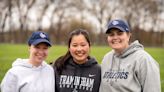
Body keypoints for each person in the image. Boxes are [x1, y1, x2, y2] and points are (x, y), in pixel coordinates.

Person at [99, 19, 161, 92]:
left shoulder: (143, 59)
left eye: (120, 33)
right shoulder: (106, 58)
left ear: (128, 36)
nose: (115, 37)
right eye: (111, 34)